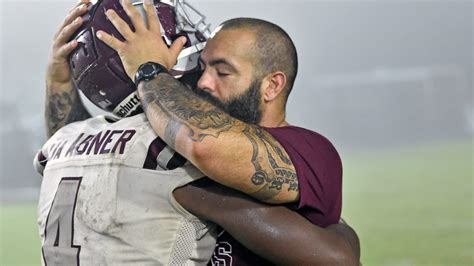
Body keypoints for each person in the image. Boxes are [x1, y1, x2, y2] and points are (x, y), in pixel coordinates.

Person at [38, 0, 360, 265]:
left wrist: (148, 69)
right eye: (203, 67)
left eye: (222, 71)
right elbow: (73, 149)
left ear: (273, 85)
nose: (203, 82)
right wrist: (59, 80)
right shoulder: (167, 141)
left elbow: (205, 143)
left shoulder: (308, 150)